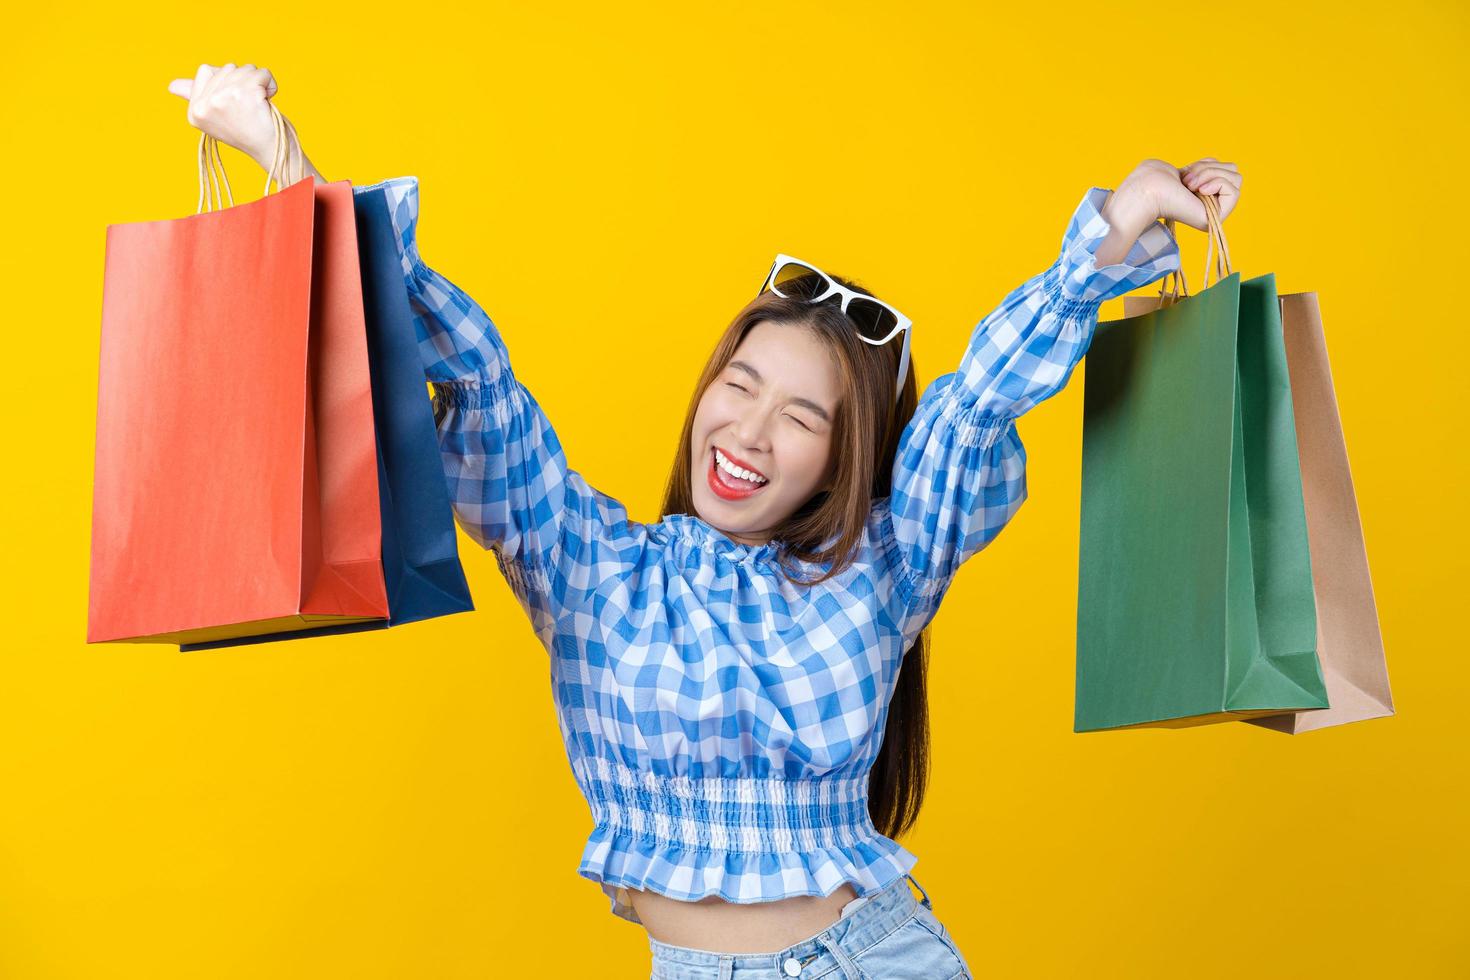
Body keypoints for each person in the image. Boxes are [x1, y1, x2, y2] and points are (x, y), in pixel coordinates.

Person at [169, 62, 1242, 979]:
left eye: (803, 415)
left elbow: (972, 407)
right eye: (742, 383)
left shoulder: (881, 564)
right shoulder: (591, 564)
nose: (751, 431)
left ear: (841, 458)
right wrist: (291, 170)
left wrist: (1119, 223)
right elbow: (477, 381)